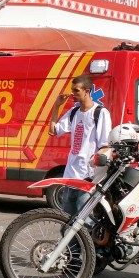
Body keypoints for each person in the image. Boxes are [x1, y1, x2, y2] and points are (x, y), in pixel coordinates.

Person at [48, 74, 112, 215]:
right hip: (71, 174)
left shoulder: (100, 113)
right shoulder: (74, 112)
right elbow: (53, 131)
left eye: (76, 90)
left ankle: (84, 238)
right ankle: (69, 238)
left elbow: (105, 145)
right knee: (67, 218)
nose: (72, 94)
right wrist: (56, 107)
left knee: (84, 220)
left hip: (87, 176)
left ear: (87, 91)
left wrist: (95, 174)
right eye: (72, 90)